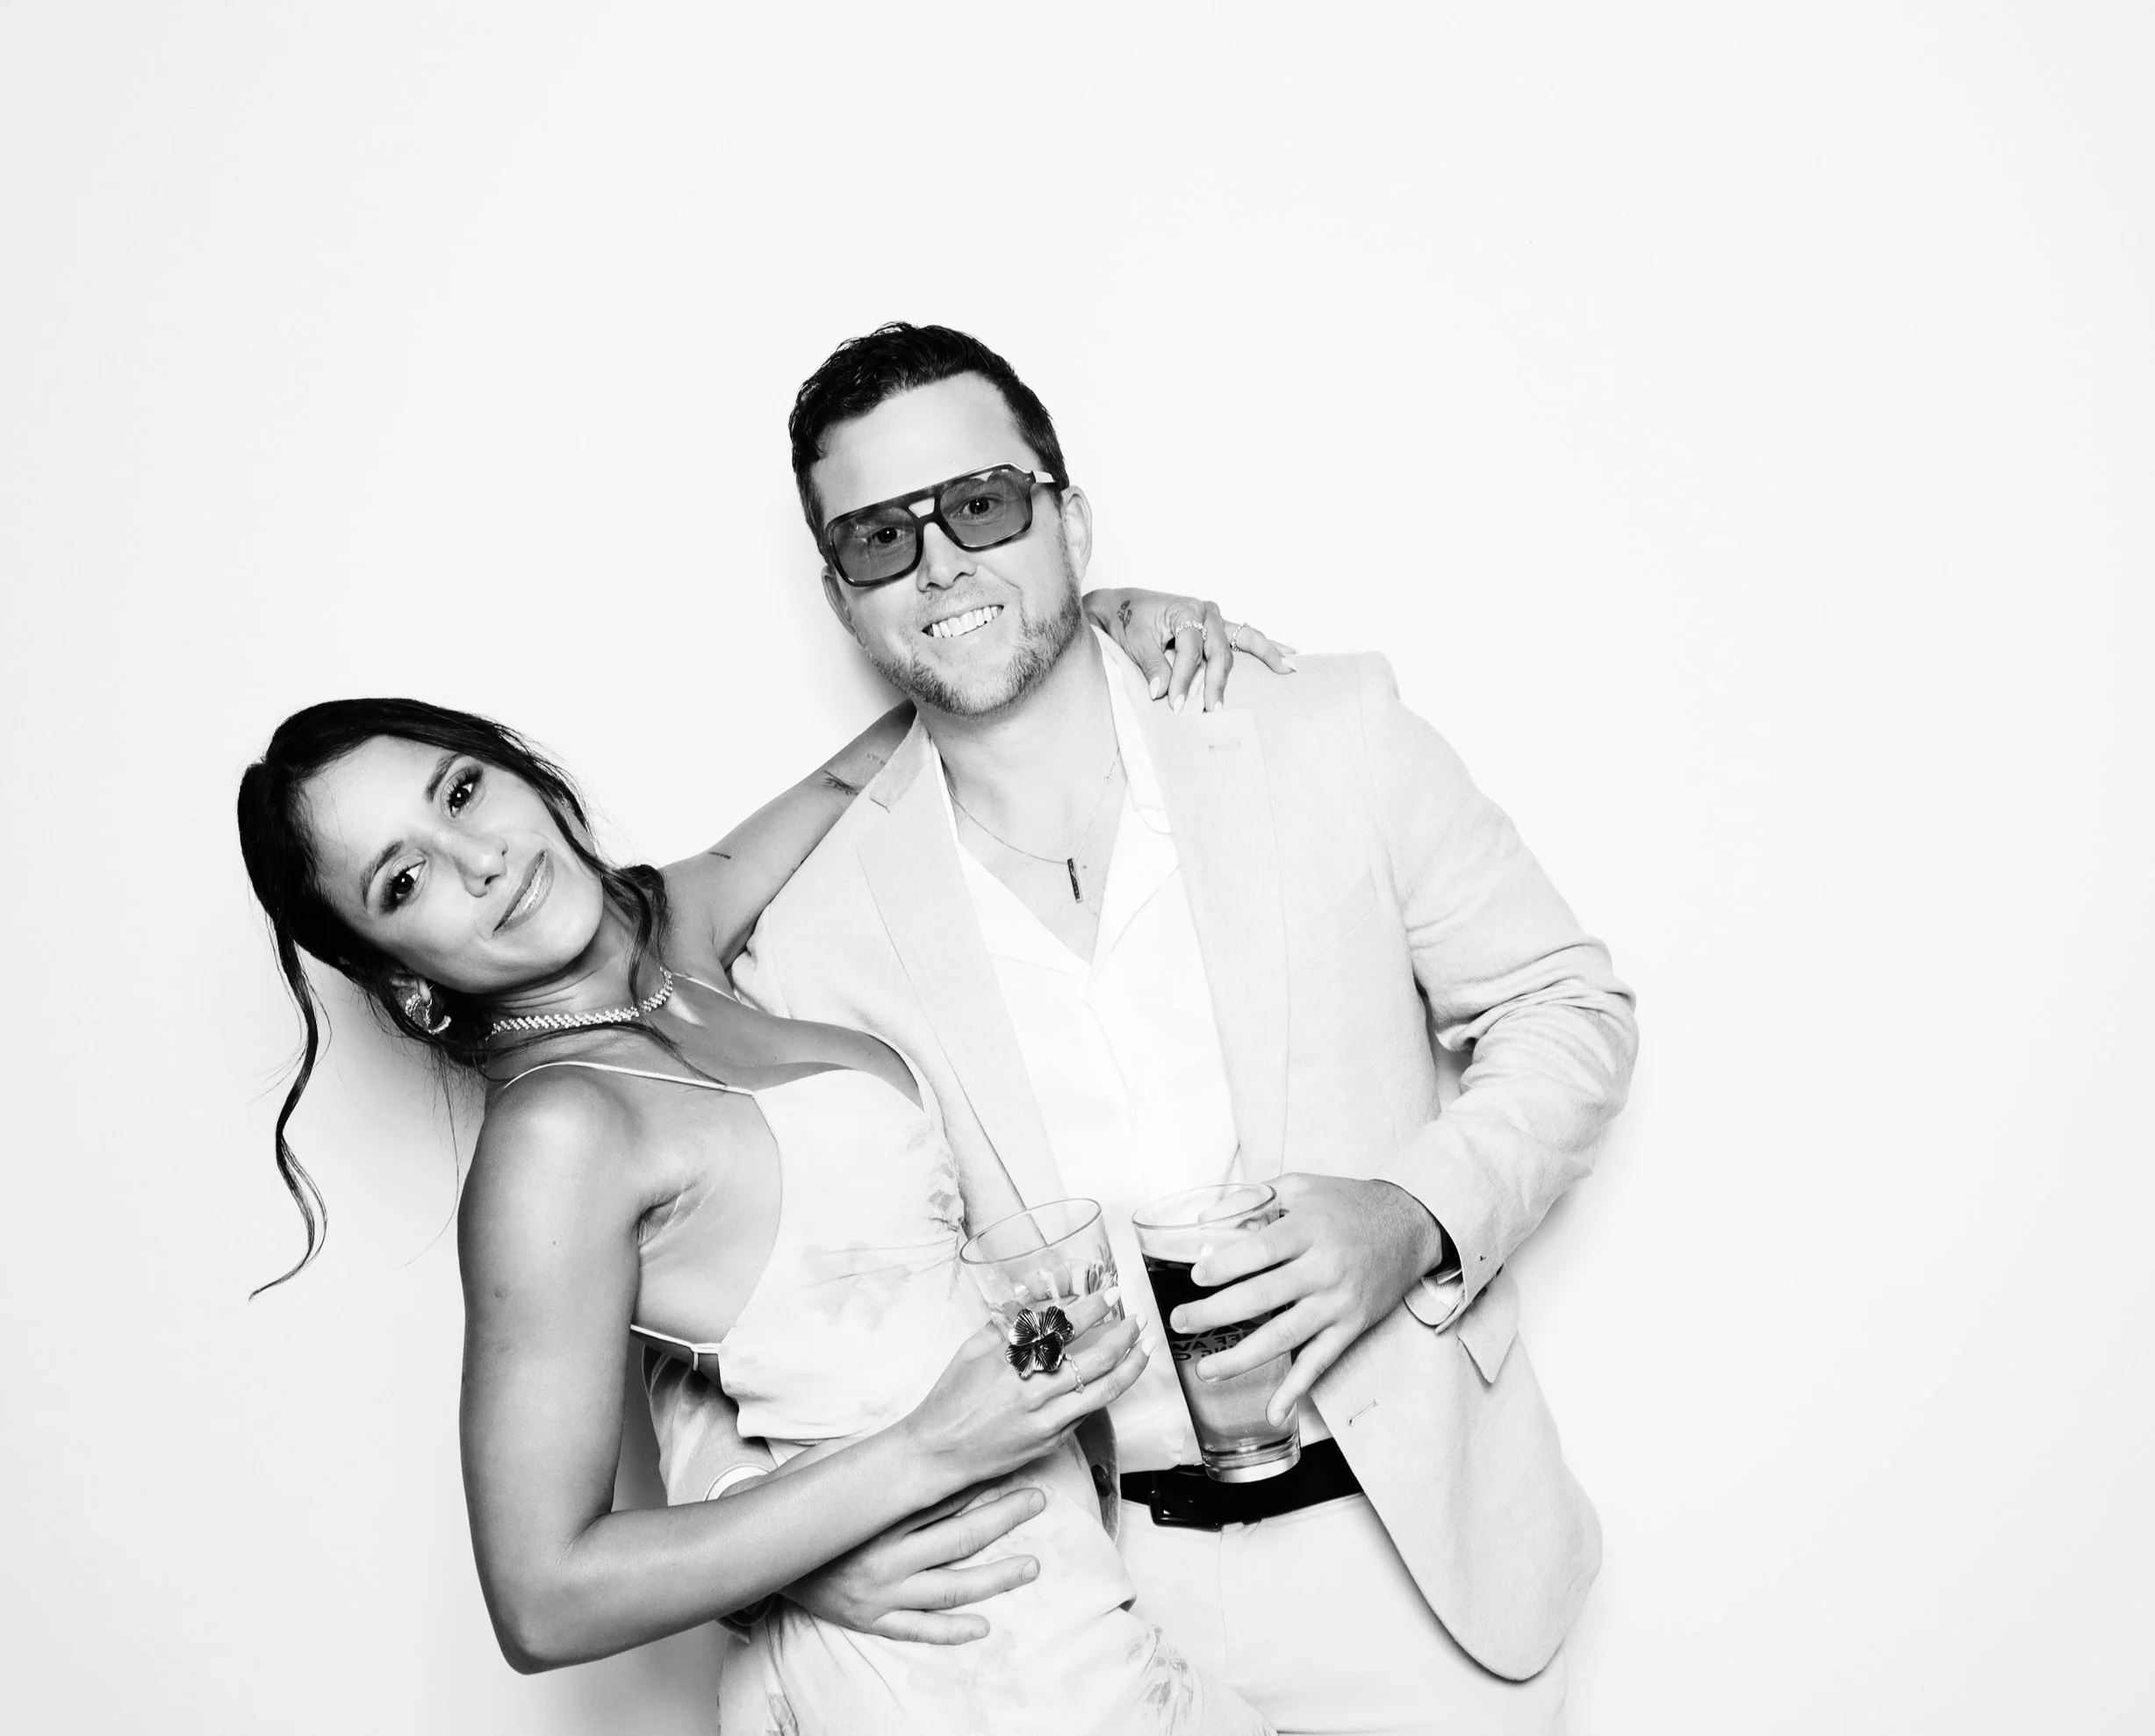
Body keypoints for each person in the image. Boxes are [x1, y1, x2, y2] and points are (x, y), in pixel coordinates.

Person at [656, 323, 1640, 1734]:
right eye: (880, 537)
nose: (940, 565)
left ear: (1069, 518)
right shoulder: (807, 942)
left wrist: (1412, 1215)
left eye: (980, 504)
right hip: (1075, 1616)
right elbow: (712, 1302)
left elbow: (1566, 1005)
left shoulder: (1327, 728)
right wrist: (783, 1550)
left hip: (1424, 1560)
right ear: (841, 596)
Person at [234, 593, 1292, 1734]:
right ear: (405, 984)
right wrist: (923, 1454)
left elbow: (869, 771)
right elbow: (543, 1598)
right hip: (941, 1677)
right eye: (404, 882)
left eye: (460, 791)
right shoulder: (558, 1135)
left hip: (1070, 1610)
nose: (479, 859)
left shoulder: (671, 936)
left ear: (521, 773)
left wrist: (1084, 619)